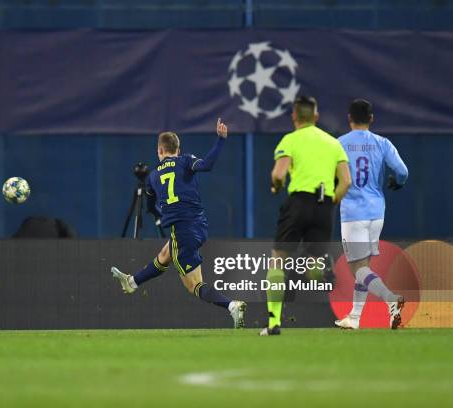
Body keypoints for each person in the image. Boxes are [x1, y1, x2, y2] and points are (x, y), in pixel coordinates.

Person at [111, 119, 247, 328]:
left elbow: (149, 205)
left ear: (159, 151)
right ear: (178, 149)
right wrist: (220, 140)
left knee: (195, 286)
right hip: (199, 226)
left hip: (181, 230)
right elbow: (207, 165)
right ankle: (132, 282)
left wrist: (159, 215)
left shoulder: (154, 176)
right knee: (166, 255)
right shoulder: (186, 161)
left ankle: (231, 306)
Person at [262, 96, 351, 336]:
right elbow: (346, 181)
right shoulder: (333, 143)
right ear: (316, 117)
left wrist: (275, 185)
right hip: (324, 207)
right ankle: (319, 267)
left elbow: (279, 174)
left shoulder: (290, 140)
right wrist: (330, 202)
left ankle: (273, 323)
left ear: (294, 117)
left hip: (298, 203)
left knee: (278, 260)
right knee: (313, 266)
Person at [335, 99, 408, 330]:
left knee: (357, 268)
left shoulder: (340, 144)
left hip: (353, 212)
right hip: (377, 211)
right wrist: (398, 182)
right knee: (364, 267)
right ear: (372, 118)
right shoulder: (382, 143)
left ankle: (391, 300)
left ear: (349, 118)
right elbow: (403, 171)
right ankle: (355, 318)